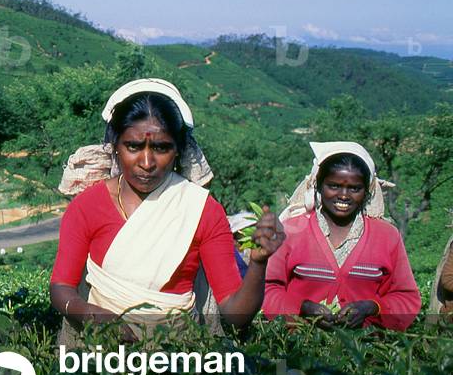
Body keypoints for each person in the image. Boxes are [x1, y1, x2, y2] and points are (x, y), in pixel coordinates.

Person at [51, 78, 285, 341]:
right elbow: (61, 287)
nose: (147, 162)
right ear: (115, 146)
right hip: (101, 349)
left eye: (161, 148)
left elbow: (235, 315)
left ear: (178, 151)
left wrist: (258, 263)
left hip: (178, 355)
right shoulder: (88, 206)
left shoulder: (202, 210)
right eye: (134, 146)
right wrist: (95, 318)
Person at [264, 142, 421, 330]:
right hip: (299, 349)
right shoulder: (291, 231)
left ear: (366, 192)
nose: (344, 195)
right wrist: (301, 307)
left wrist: (373, 307)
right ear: (319, 186)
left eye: (355, 188)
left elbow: (406, 298)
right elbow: (267, 290)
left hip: (365, 351)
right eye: (334, 186)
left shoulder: (387, 236)